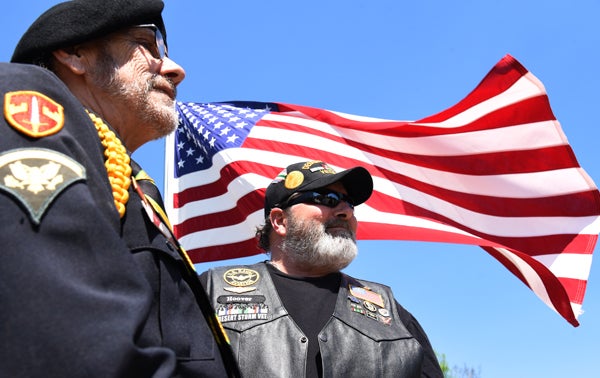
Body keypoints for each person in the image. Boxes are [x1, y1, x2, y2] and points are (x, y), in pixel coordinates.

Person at [1, 1, 239, 377]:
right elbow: (64, 333)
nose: (176, 69)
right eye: (148, 44)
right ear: (75, 53)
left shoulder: (134, 182)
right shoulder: (29, 99)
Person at [200, 160, 443, 377]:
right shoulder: (210, 291)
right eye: (327, 200)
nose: (346, 211)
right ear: (280, 221)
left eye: (350, 204)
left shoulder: (391, 312)